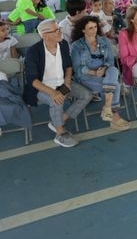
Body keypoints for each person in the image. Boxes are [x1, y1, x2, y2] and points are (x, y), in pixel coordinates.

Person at [23, 19, 92, 148]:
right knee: (57, 100)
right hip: (42, 88)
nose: (60, 32)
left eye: (59, 29)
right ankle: (60, 133)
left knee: (86, 95)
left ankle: (60, 120)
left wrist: (66, 83)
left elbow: (69, 67)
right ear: (45, 35)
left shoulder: (63, 44)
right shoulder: (33, 52)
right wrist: (53, 93)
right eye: (56, 30)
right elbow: (33, 80)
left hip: (62, 84)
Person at [70, 16, 129, 131]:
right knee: (115, 86)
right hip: (85, 76)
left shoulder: (104, 40)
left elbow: (110, 61)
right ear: (83, 30)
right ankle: (114, 116)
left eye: (95, 27)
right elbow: (77, 68)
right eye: (90, 28)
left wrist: (104, 68)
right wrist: (93, 72)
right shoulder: (77, 46)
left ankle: (107, 108)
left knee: (114, 69)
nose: (94, 30)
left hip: (105, 72)